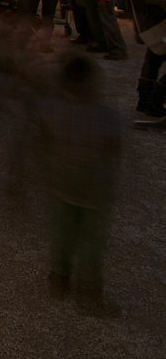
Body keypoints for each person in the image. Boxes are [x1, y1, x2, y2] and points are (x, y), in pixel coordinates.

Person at [36, 54, 122, 316]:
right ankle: (89, 293)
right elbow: (113, 151)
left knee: (62, 232)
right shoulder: (107, 117)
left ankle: (59, 277)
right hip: (95, 189)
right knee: (92, 242)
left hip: (62, 183)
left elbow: (42, 144)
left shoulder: (50, 109)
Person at [115, 0, 166, 118]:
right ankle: (154, 101)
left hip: (160, 18)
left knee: (154, 59)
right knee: (155, 58)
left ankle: (147, 102)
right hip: (149, 20)